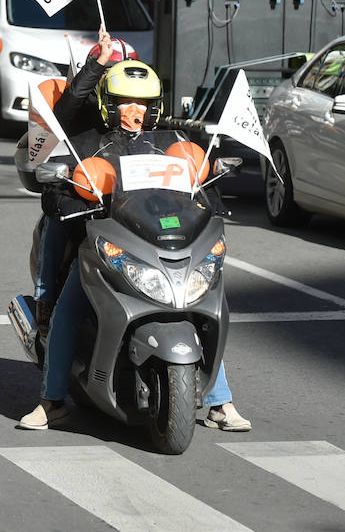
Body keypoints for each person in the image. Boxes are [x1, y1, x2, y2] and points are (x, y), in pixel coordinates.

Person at [18, 56, 250, 433]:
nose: (134, 112)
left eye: (142, 104)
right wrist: (70, 197)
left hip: (157, 242)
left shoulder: (167, 143)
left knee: (203, 302)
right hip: (103, 243)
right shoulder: (86, 141)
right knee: (68, 310)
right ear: (108, 103)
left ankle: (220, 401)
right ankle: (51, 400)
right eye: (126, 103)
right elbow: (56, 192)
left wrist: (208, 194)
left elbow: (194, 184)